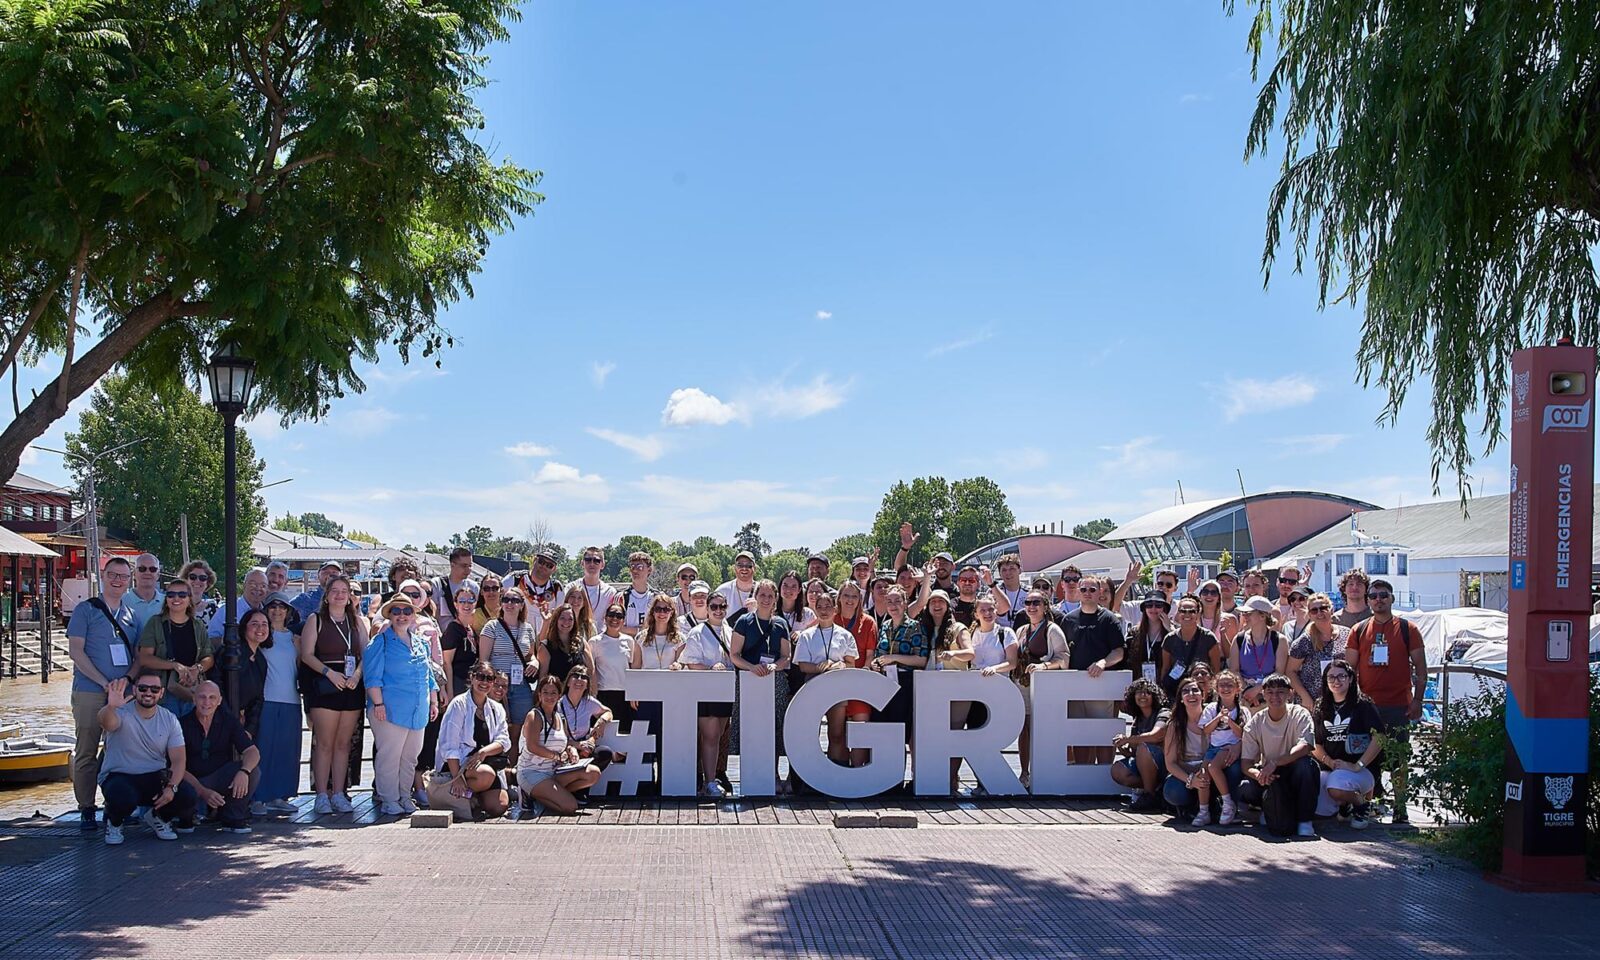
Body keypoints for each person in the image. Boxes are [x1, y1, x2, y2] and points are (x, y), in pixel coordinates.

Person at [1341, 578, 1425, 824]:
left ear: (1392, 599)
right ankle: (1367, 804)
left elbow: (1421, 668)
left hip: (1399, 705)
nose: (1379, 599)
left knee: (1399, 759)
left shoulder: (1408, 629)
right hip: (1367, 707)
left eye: (1383, 595)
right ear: (1368, 601)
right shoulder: (1359, 630)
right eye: (1374, 596)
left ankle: (1400, 808)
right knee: (1366, 758)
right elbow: (1349, 670)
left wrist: (1418, 700)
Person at [67, 555, 140, 831]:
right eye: (113, 575)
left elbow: (138, 657)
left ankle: (115, 805)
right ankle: (87, 807)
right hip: (89, 690)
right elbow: (76, 651)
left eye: (123, 576)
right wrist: (103, 682)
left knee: (117, 750)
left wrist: (125, 681)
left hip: (122, 693)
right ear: (103, 576)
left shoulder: (131, 615)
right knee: (86, 748)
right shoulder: (86, 610)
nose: (118, 580)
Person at [296, 574, 369, 815]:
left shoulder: (358, 622)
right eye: (334, 590)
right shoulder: (315, 620)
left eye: (344, 591)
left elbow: (365, 655)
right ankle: (321, 795)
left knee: (343, 744)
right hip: (326, 684)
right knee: (324, 743)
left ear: (350, 597)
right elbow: (307, 655)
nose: (339, 595)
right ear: (326, 596)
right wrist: (330, 674)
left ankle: (339, 793)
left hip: (351, 685)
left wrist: (357, 676)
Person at [365, 591, 440, 815]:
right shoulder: (380, 642)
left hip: (418, 711)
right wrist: (378, 704)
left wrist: (434, 701)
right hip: (389, 710)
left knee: (410, 757)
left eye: (407, 611)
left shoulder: (420, 642)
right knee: (390, 755)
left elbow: (429, 675)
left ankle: (405, 795)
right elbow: (371, 677)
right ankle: (389, 799)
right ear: (389, 615)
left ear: (413, 615)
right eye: (396, 611)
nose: (401, 615)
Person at [97, 673, 194, 845]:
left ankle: (158, 817)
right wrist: (110, 707)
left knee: (186, 794)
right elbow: (107, 723)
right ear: (134, 690)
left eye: (154, 689)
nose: (148, 692)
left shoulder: (169, 719)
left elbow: (179, 759)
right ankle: (115, 823)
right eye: (143, 688)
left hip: (154, 776)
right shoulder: (121, 711)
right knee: (122, 797)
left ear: (161, 693)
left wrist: (172, 787)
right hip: (120, 775)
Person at [1237, 674, 1321, 838]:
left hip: (1293, 770)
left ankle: (1305, 821)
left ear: (1290, 694)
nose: (1275, 697)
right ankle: (1267, 808)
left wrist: (1276, 762)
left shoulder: (1300, 714)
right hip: (1269, 774)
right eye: (1270, 692)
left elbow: (1306, 745)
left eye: (1280, 692)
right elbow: (1246, 764)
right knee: (1245, 787)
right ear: (1263, 694)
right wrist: (1259, 775)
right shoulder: (1255, 722)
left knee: (1308, 766)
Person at [730, 579, 795, 792]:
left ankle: (774, 773)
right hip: (748, 682)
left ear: (775, 599)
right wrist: (751, 667)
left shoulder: (780, 624)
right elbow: (734, 655)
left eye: (770, 596)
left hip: (774, 683)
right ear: (755, 597)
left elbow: (786, 656)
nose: (766, 600)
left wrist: (775, 667)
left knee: (774, 728)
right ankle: (750, 772)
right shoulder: (743, 622)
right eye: (762, 595)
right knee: (750, 726)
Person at [428, 663, 511, 821]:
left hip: (483, 761)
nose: (484, 682)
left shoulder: (496, 708)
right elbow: (449, 745)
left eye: (489, 678)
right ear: (472, 678)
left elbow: (504, 740)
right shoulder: (459, 704)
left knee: (499, 806)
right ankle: (461, 791)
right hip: (458, 765)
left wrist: (483, 752)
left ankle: (473, 797)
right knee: (486, 774)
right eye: (480, 677)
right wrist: (457, 777)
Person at [179, 681, 261, 835]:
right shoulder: (181, 724)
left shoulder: (228, 721)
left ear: (219, 701)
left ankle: (232, 817)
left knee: (254, 772)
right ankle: (185, 817)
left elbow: (252, 751)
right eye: (202, 697)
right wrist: (202, 791)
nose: (207, 702)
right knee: (182, 790)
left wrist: (244, 771)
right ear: (194, 699)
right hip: (190, 780)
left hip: (219, 777)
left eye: (212, 697)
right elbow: (177, 766)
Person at [1310, 661, 1383, 829]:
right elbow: (1315, 743)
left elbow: (1380, 737)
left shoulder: (1363, 705)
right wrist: (1329, 761)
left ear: (1350, 679)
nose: (1336, 681)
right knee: (1321, 810)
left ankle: (1362, 804)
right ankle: (1345, 805)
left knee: (1336, 786)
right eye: (1331, 677)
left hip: (1361, 769)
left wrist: (1357, 766)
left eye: (1341, 676)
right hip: (1332, 768)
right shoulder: (1321, 706)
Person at [791, 589, 858, 770]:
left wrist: (839, 665)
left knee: (836, 734)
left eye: (828, 606)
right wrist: (821, 667)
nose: (824, 610)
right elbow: (803, 665)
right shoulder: (806, 635)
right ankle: (811, 774)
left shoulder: (845, 635)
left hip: (838, 687)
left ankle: (836, 771)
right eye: (819, 606)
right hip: (812, 686)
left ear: (835, 609)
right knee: (811, 734)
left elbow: (851, 663)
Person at [675, 592, 734, 796]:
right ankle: (708, 781)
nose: (718, 610)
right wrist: (711, 669)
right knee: (708, 736)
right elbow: (691, 662)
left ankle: (710, 778)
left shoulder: (730, 631)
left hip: (724, 691)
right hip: (704, 691)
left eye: (722, 606)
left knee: (717, 736)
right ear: (707, 609)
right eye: (714, 607)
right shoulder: (697, 632)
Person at [517, 675, 602, 816]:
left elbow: (566, 742)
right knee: (570, 807)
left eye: (553, 693)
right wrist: (556, 756)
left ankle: (548, 795)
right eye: (545, 692)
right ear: (539, 694)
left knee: (593, 773)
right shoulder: (534, 716)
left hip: (554, 771)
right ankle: (532, 793)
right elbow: (532, 747)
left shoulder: (560, 717)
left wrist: (571, 750)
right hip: (532, 771)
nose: (549, 696)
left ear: (559, 695)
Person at [1064, 575, 1126, 764]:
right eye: (1083, 590)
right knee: (1079, 733)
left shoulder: (1109, 619)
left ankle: (1106, 775)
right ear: (1078, 592)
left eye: (1092, 589)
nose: (1088, 593)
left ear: (1100, 592)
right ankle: (1083, 776)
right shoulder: (1068, 620)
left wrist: (1103, 663)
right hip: (1074, 688)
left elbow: (1119, 651)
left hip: (1101, 686)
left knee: (1104, 733)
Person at [250, 599, 303, 815]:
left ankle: (281, 796)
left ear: (288, 611)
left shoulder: (294, 638)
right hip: (266, 699)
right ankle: (258, 797)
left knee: (287, 751)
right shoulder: (261, 636)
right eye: (272, 606)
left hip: (291, 699)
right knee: (263, 749)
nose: (277, 611)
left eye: (282, 607)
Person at [135, 578, 213, 718]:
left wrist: (197, 669)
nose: (176, 598)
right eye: (171, 595)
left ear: (189, 599)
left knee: (191, 736)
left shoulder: (198, 625)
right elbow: (145, 658)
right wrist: (174, 666)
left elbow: (208, 657)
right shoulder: (156, 623)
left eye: (182, 595)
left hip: (192, 690)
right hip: (165, 692)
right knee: (167, 736)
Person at [1014, 588, 1068, 787]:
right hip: (1023, 685)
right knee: (1024, 728)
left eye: (1036, 603)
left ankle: (1045, 772)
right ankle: (1024, 773)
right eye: (1028, 602)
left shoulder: (1052, 629)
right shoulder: (1021, 630)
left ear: (1046, 607)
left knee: (1044, 729)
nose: (1032, 606)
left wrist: (1044, 666)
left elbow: (1064, 657)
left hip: (1045, 687)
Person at [479, 586, 539, 763]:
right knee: (496, 729)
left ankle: (512, 769)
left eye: (515, 600)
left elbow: (531, 654)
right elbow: (484, 660)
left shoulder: (527, 628)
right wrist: (492, 683)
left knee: (518, 731)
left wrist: (535, 662)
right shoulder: (492, 627)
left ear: (522, 605)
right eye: (506, 600)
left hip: (520, 685)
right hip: (497, 684)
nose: (510, 604)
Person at [631, 594, 683, 786]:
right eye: (658, 609)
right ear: (652, 612)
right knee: (645, 739)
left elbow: (683, 664)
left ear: (672, 613)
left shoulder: (679, 638)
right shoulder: (641, 637)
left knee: (666, 739)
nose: (662, 613)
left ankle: (665, 781)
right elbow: (636, 666)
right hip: (646, 696)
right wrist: (633, 692)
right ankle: (644, 783)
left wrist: (679, 665)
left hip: (670, 698)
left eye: (666, 609)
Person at [1194, 670, 1247, 826]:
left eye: (1230, 685)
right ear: (1216, 688)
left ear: (1237, 689)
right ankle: (1203, 811)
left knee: (1213, 767)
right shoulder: (1211, 708)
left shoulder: (1242, 711)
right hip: (1213, 748)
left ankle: (1227, 803)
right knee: (1203, 774)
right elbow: (1206, 731)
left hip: (1230, 747)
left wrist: (1230, 721)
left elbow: (1243, 734)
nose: (1226, 688)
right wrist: (1218, 718)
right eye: (1222, 685)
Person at [835, 579, 878, 767]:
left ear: (860, 599)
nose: (850, 600)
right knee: (838, 732)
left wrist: (863, 674)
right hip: (836, 684)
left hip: (860, 685)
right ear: (839, 598)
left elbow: (870, 655)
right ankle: (841, 774)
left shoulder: (868, 622)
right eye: (846, 595)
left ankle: (859, 773)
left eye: (854, 596)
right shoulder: (831, 619)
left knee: (860, 730)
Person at [1111, 677, 1168, 812]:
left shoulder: (1164, 712)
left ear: (1154, 696)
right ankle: (1157, 788)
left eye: (1147, 692)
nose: (1142, 695)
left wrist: (1128, 739)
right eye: (1138, 692)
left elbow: (1156, 736)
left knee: (1144, 747)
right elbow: (1133, 753)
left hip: (1165, 764)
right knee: (1117, 770)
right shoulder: (1138, 719)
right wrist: (1121, 746)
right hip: (1145, 765)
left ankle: (1150, 796)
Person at [1283, 592, 1349, 707]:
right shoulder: (1303, 641)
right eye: (1314, 610)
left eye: (1323, 608)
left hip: (1342, 698)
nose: (1319, 613)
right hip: (1313, 702)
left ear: (1331, 609)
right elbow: (1290, 672)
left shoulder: (1346, 634)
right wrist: (1305, 696)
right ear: (1309, 614)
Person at [1161, 677, 1210, 820]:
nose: (1191, 694)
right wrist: (1191, 780)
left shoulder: (1213, 718)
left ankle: (1209, 805)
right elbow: (1170, 763)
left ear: (1203, 695)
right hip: (1186, 771)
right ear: (1181, 699)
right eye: (1186, 691)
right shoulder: (1175, 725)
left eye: (1195, 690)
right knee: (1174, 793)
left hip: (1210, 769)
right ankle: (1189, 805)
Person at [1158, 595, 1221, 700]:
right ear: (1178, 613)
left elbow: (1215, 670)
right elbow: (1165, 669)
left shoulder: (1209, 638)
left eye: (1191, 611)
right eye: (1183, 611)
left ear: (1198, 614)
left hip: (1202, 693)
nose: (1187, 614)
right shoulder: (1169, 639)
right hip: (1177, 692)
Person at [1233, 596, 1284, 707]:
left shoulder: (1279, 640)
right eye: (1244, 613)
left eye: (1249, 613)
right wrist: (1247, 691)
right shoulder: (1239, 639)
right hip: (1246, 698)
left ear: (1262, 615)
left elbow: (1280, 672)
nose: (1244, 616)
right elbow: (1234, 670)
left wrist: (1258, 689)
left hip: (1273, 698)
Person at [590, 603, 635, 727]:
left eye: (619, 616)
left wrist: (633, 693)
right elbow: (591, 670)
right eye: (611, 615)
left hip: (625, 696)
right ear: (605, 617)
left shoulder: (629, 641)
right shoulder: (595, 642)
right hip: (603, 694)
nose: (614, 619)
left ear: (623, 620)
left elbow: (632, 669)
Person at [539, 602, 597, 697]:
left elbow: (591, 670)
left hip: (580, 698)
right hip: (556, 699)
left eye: (570, 619)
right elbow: (543, 678)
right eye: (562, 618)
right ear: (556, 620)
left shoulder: (582, 642)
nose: (566, 622)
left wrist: (593, 694)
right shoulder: (546, 646)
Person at [208, 567, 269, 639]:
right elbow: (211, 638)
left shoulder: (268, 612)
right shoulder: (226, 611)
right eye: (253, 584)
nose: (258, 588)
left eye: (263, 586)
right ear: (244, 585)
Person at [1126, 595, 1170, 688]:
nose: (1153, 608)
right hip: (1139, 686)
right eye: (1149, 605)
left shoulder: (1172, 632)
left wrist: (1170, 630)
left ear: (1164, 608)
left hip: (1165, 685)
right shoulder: (1134, 633)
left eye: (1158, 605)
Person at [430, 547, 477, 632]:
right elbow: (432, 615)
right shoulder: (437, 584)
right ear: (452, 565)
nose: (468, 570)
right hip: (443, 637)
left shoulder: (474, 587)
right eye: (464, 566)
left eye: (470, 566)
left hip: (465, 636)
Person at [1195, 579, 1239, 665]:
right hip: (1197, 664)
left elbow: (1230, 654)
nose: (1209, 595)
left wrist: (1223, 634)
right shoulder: (1193, 618)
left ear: (1219, 598)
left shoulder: (1229, 619)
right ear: (1200, 596)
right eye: (1205, 592)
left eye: (1213, 593)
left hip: (1220, 663)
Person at [576, 547, 618, 631]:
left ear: (602, 565)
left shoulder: (610, 592)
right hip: (575, 636)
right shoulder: (572, 588)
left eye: (596, 560)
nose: (592, 563)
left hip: (600, 640)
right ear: (582, 563)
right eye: (588, 560)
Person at [617, 551, 655, 637]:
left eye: (640, 567)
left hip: (650, 646)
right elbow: (616, 626)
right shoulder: (621, 597)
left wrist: (630, 630)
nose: (635, 570)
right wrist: (640, 630)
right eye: (632, 567)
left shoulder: (656, 597)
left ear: (649, 570)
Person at [989, 553, 1030, 629]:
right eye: (1004, 570)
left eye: (1012, 569)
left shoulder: (1029, 593)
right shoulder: (993, 592)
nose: (1008, 573)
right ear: (1000, 574)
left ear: (1020, 570)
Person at [124, 553, 165, 627]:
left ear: (158, 575)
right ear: (134, 574)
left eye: (152, 569)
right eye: (142, 569)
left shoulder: (168, 603)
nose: (147, 572)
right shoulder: (121, 602)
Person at [718, 551, 760, 621]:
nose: (744, 568)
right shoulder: (722, 591)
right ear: (734, 568)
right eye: (740, 565)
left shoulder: (763, 590)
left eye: (748, 565)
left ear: (754, 568)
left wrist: (759, 609)